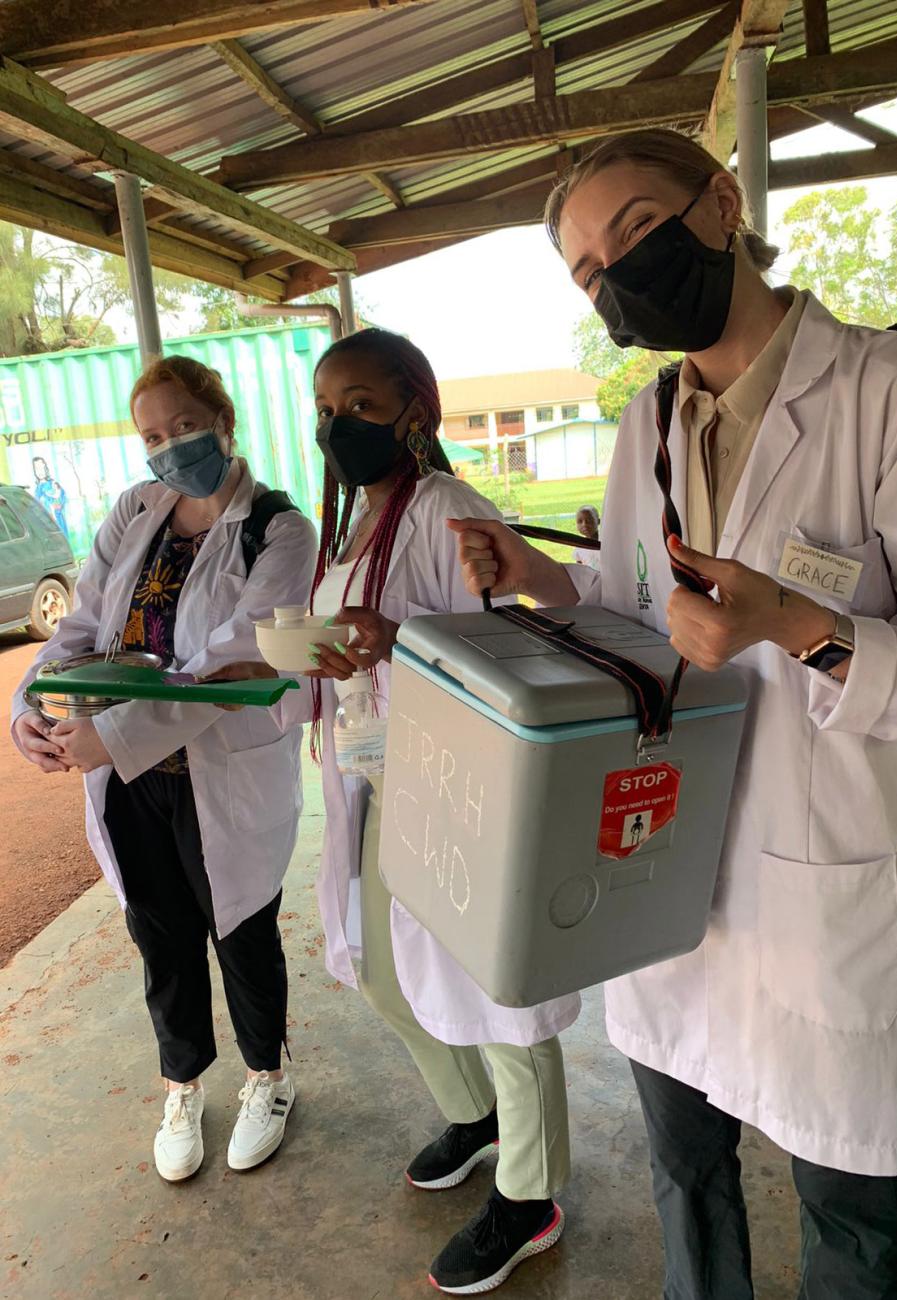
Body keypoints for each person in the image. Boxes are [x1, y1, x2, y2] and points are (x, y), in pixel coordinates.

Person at [450, 128, 897, 1299]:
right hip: (660, 869)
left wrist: (800, 626)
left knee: (853, 1214)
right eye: (589, 271)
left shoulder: (879, 391)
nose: (616, 276)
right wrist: (545, 582)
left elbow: (784, 627)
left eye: (637, 232)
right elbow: (637, 609)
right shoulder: (645, 425)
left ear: (722, 200)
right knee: (681, 1168)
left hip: (828, 886)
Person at [226, 328, 576, 1295]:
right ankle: (477, 1115)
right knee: (383, 971)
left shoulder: (447, 507)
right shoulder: (354, 524)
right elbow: (348, 643)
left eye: (363, 407)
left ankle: (531, 1191)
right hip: (378, 775)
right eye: (326, 410)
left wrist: (400, 637)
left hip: (459, 782)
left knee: (498, 991)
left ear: (415, 413)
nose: (338, 425)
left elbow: (513, 647)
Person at [11, 356, 317, 1183]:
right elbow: (81, 629)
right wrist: (29, 708)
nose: (170, 446)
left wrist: (116, 735)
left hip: (222, 774)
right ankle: (182, 1082)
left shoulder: (277, 528)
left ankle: (268, 1077)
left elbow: (237, 660)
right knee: (160, 934)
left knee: (242, 929)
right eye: (153, 434)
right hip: (132, 781)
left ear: (222, 416)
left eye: (184, 426)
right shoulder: (135, 511)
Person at [32, 455, 69, 537]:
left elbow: (62, 498)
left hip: (57, 521)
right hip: (45, 524)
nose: (40, 471)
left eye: (41, 468)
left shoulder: (53, 484)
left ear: (45, 468)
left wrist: (56, 507)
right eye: (37, 469)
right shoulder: (37, 489)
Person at [574, 503, 602, 569]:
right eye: (580, 521)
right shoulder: (579, 546)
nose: (584, 525)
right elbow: (579, 569)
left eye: (589, 521)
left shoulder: (606, 542)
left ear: (598, 521)